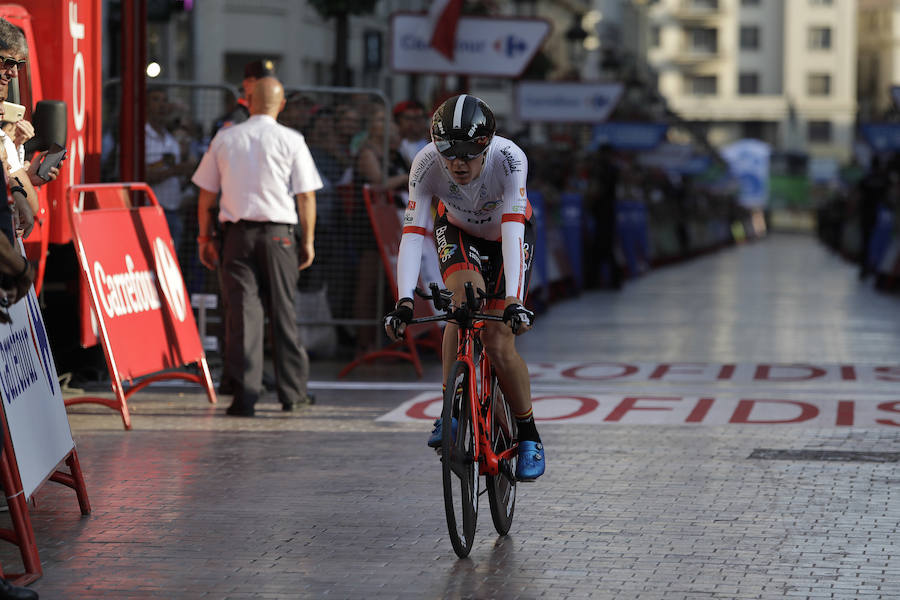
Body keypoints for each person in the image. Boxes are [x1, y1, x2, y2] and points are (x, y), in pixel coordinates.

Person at [383, 95, 545, 481]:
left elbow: (510, 228)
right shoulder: (425, 163)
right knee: (461, 305)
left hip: (508, 231)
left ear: (487, 144)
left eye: (469, 154)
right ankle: (450, 411)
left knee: (498, 338)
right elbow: (412, 233)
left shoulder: (510, 159)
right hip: (457, 230)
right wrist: (404, 300)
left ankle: (528, 435)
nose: (457, 163)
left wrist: (512, 302)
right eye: (448, 152)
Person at [192, 76, 321, 417]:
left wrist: (204, 236)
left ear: (248, 102)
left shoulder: (226, 137)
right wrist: (307, 240)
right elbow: (306, 195)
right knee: (283, 313)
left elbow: (206, 193)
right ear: (281, 105)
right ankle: (292, 393)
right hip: (279, 235)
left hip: (236, 236)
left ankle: (245, 396)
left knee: (242, 316)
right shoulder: (292, 139)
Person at [145, 86, 194, 251]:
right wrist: (175, 170)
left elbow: (178, 175)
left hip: (173, 210)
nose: (162, 105)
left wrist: (186, 172)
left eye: (165, 100)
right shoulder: (141, 136)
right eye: (156, 100)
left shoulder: (170, 139)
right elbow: (140, 175)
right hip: (150, 211)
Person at [211, 58, 276, 137]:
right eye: (261, 83)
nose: (267, 88)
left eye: (270, 83)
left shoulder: (279, 113)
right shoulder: (238, 117)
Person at [392, 100, 429, 170]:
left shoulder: (434, 141)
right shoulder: (393, 146)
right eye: (408, 118)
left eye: (419, 118)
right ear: (398, 121)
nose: (414, 123)